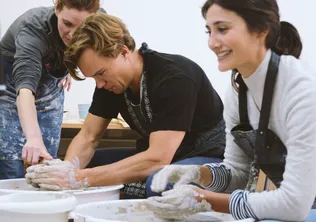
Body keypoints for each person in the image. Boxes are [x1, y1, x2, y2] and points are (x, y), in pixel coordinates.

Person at [149, 0, 316, 221]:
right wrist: (197, 174)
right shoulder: (238, 94)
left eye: (222, 29)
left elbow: (294, 205)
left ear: (260, 30)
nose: (212, 42)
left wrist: (203, 200)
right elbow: (238, 173)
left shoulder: (305, 92)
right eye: (208, 31)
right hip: (306, 199)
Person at [25, 13, 225, 198]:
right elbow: (88, 137)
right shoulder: (110, 85)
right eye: (93, 77)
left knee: (163, 183)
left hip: (209, 157)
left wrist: (78, 180)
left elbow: (158, 158)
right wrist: (66, 173)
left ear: (123, 51)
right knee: (87, 164)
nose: (100, 84)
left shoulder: (174, 77)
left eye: (101, 73)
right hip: (166, 158)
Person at [0, 0, 102, 179]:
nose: (73, 35)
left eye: (82, 28)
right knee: (12, 161)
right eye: (67, 24)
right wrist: (33, 137)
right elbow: (25, 88)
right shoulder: (33, 28)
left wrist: (69, 64)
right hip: (10, 81)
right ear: (56, 6)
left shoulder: (100, 22)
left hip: (50, 79)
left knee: (46, 160)